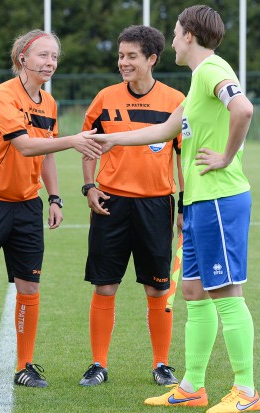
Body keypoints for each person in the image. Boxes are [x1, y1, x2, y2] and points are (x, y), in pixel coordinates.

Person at [91, 6, 260, 412]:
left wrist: (225, 156)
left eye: (175, 33)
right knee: (193, 291)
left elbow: (244, 109)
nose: (171, 41)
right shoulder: (195, 83)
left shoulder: (211, 69)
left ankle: (246, 391)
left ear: (189, 35)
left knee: (225, 292)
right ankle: (192, 387)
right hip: (200, 202)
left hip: (221, 197)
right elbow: (167, 129)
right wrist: (116, 139)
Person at [0, 29, 102, 391]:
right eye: (42, 56)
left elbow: (45, 152)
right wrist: (75, 141)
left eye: (54, 57)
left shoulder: (49, 104)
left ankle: (24, 365)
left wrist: (55, 197)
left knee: (29, 287)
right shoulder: (2, 94)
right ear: (23, 59)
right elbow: (25, 146)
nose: (50, 63)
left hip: (27, 206)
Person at [79, 25, 185, 388]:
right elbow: (89, 144)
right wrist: (89, 187)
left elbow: (183, 158)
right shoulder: (105, 98)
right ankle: (98, 364)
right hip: (111, 202)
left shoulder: (175, 101)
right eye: (120, 55)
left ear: (152, 59)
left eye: (131, 56)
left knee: (157, 289)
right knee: (104, 285)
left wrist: (184, 205)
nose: (122, 62)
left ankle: (162, 364)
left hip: (157, 205)